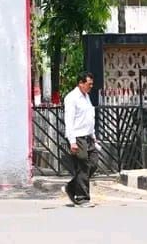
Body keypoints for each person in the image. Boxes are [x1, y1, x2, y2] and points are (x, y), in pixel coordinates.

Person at [63, 72, 100, 208]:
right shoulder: (72, 98)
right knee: (83, 166)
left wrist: (93, 136)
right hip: (78, 136)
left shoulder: (86, 97)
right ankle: (82, 198)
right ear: (80, 83)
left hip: (88, 136)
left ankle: (71, 187)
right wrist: (72, 141)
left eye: (91, 84)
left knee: (93, 164)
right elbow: (69, 120)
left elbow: (89, 118)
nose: (91, 86)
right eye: (89, 84)